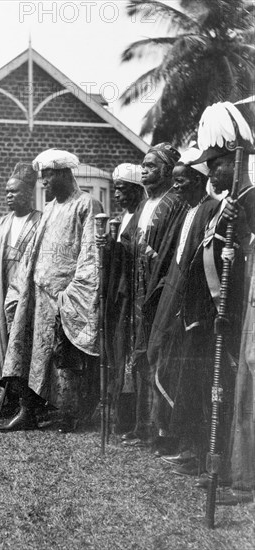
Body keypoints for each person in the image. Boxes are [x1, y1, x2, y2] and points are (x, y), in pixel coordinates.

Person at [0, 149, 103, 433]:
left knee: (64, 358)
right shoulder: (51, 208)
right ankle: (27, 411)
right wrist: (22, 287)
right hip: (37, 295)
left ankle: (70, 414)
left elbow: (90, 253)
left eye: (48, 176)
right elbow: (34, 250)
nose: (43, 182)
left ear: (65, 174)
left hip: (65, 296)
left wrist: (72, 294)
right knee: (30, 351)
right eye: (42, 176)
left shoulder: (86, 204)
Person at [179, 101, 255, 501]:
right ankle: (230, 471)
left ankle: (242, 479)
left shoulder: (251, 199)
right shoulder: (231, 201)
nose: (210, 172)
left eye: (214, 162)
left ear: (232, 158)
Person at [146, 149, 219, 463]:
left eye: (182, 180)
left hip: (195, 308)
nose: (176, 187)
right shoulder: (188, 211)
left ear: (200, 180)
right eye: (173, 181)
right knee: (169, 365)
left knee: (191, 376)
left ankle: (193, 448)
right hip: (175, 300)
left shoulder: (210, 209)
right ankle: (172, 438)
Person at [120, 143, 188, 449]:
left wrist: (150, 254)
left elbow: (173, 250)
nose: (145, 169)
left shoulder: (175, 204)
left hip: (158, 291)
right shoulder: (145, 205)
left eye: (152, 165)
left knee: (155, 356)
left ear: (168, 171)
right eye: (143, 165)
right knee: (138, 356)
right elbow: (131, 241)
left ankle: (162, 431)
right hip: (137, 290)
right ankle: (140, 425)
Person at [96, 163, 145, 434]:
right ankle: (118, 414)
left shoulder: (140, 217)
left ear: (137, 191)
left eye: (123, 190)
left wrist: (114, 249)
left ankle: (129, 419)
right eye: (115, 190)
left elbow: (133, 255)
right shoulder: (123, 217)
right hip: (118, 294)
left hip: (130, 296)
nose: (117, 196)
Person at [0, 162, 42, 411]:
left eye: (14, 192)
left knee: (25, 340)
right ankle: (9, 391)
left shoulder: (40, 221)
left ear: (28, 193)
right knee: (4, 336)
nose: (9, 196)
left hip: (28, 291)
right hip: (3, 288)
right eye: (7, 192)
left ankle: (30, 397)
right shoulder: (3, 222)